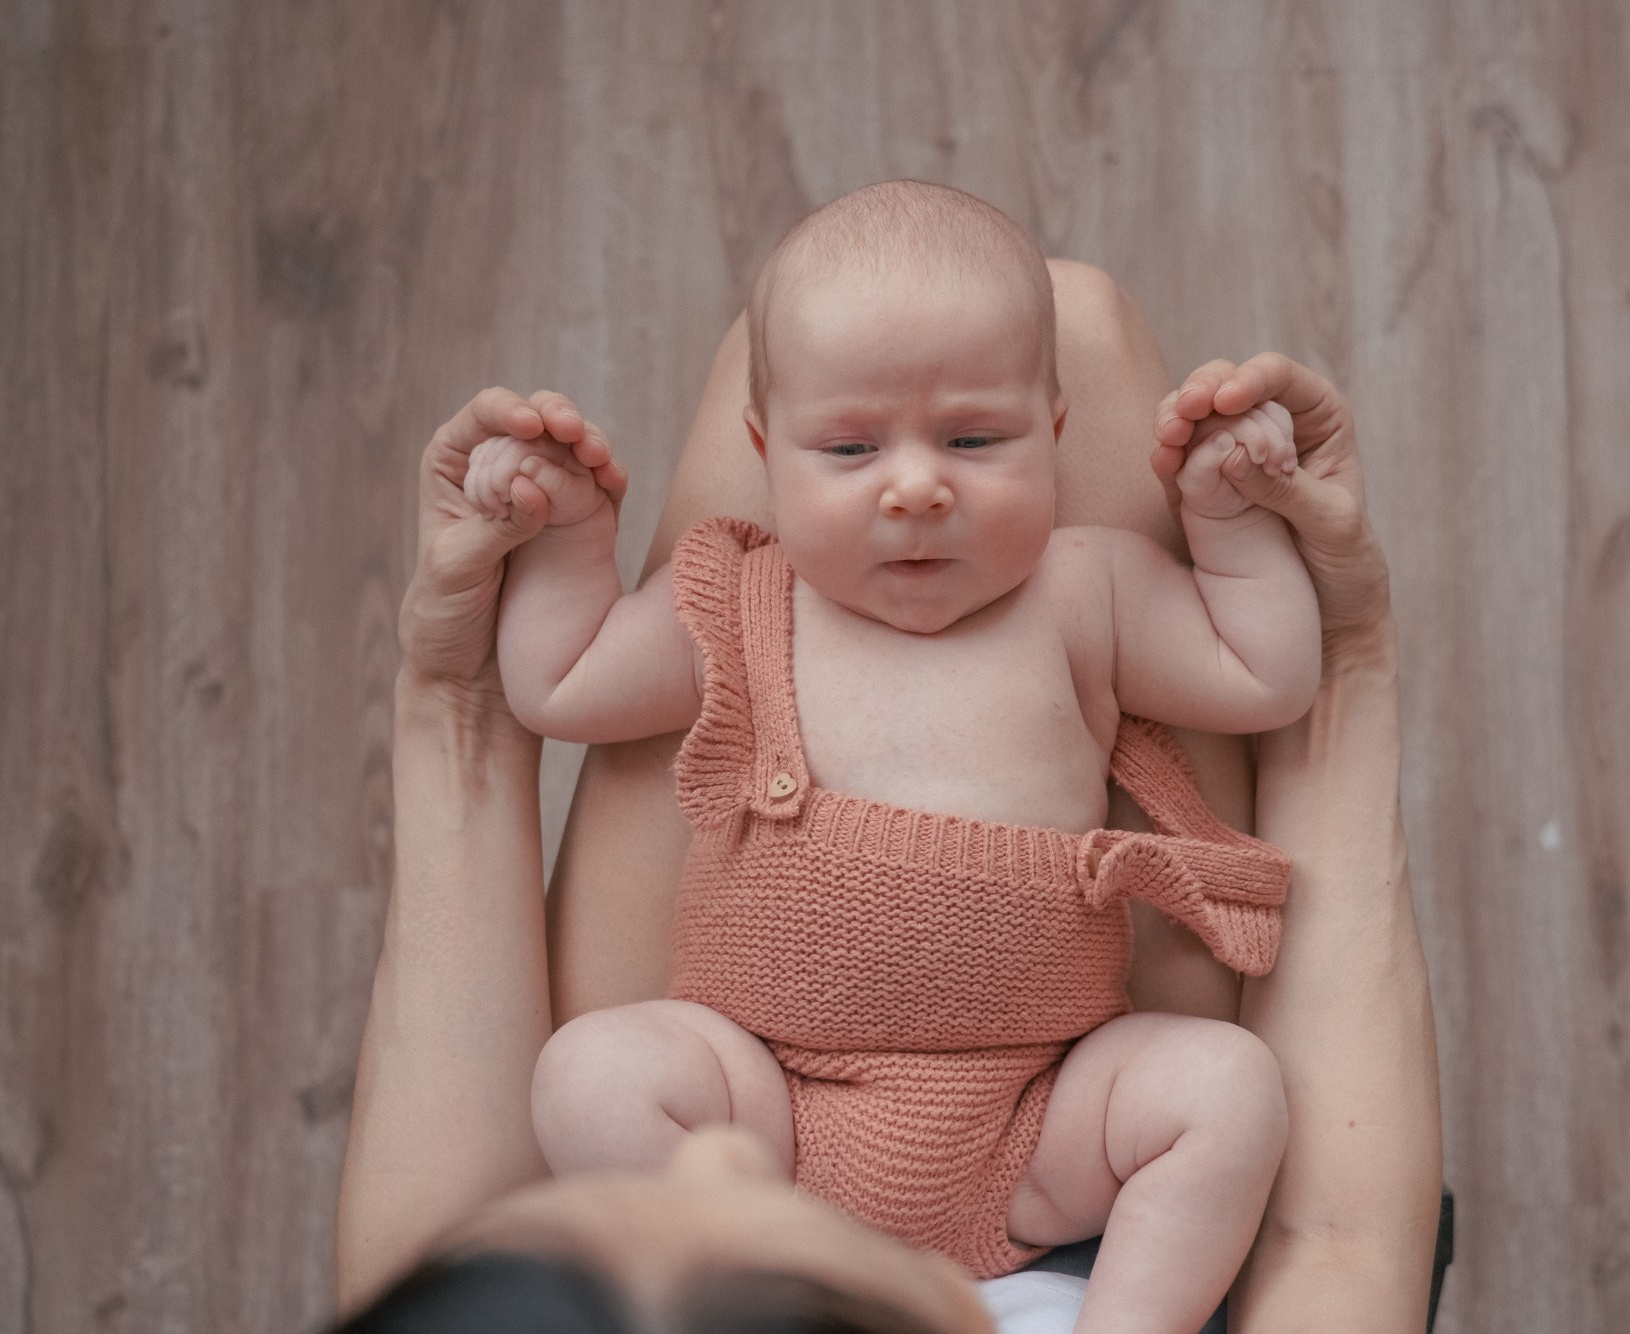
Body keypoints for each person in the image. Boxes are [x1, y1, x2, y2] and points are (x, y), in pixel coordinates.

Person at [336, 263, 1440, 1333]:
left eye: (972, 440)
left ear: (1050, 430)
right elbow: (1276, 676)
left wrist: (562, 546)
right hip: (890, 1115)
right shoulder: (1048, 588)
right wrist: (1241, 532)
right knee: (1227, 1091)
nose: (916, 486)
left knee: (594, 1073)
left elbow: (559, 675)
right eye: (851, 449)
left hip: (873, 1139)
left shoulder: (1021, 584)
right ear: (765, 454)